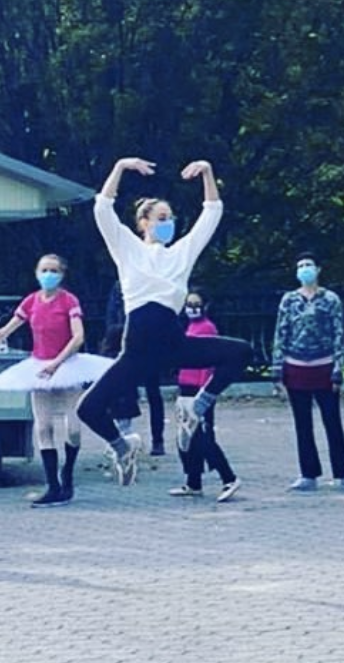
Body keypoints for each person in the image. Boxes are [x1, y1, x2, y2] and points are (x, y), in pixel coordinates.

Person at [76, 156, 254, 487]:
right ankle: (122, 448)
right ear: (143, 222)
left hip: (173, 343)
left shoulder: (181, 253)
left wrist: (208, 172)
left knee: (241, 352)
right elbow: (102, 208)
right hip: (137, 349)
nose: (167, 223)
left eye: (171, 218)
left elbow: (212, 213)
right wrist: (119, 167)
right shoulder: (127, 248)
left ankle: (196, 408)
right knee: (88, 409)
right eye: (161, 217)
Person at [0, 254, 108, 507]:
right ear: (37, 273)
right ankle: (53, 486)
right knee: (43, 426)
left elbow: (78, 336)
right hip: (39, 367)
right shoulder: (31, 302)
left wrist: (57, 363)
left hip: (67, 366)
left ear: (62, 274)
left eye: (54, 270)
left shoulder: (68, 300)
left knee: (72, 426)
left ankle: (67, 473)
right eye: (44, 270)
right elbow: (5, 331)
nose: (48, 275)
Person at [271, 253, 344, 492]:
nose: (304, 269)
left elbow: (338, 333)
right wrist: (277, 371)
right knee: (302, 424)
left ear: (318, 269)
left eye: (308, 265)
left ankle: (343, 473)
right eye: (300, 265)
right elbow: (281, 333)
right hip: (296, 367)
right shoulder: (289, 300)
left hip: (324, 366)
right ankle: (308, 474)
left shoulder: (330, 299)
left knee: (332, 421)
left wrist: (338, 369)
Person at [169, 287, 242, 502]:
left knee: (200, 437)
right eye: (188, 305)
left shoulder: (207, 328)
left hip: (199, 389)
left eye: (196, 304)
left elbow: (208, 362)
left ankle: (228, 477)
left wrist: (204, 392)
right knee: (186, 437)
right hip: (185, 385)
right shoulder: (189, 327)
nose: (192, 309)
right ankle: (193, 482)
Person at [107, 280, 166, 455]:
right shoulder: (120, 286)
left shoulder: (151, 286)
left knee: (153, 394)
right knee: (124, 392)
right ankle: (124, 436)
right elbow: (111, 319)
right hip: (125, 345)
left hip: (149, 347)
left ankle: (157, 440)